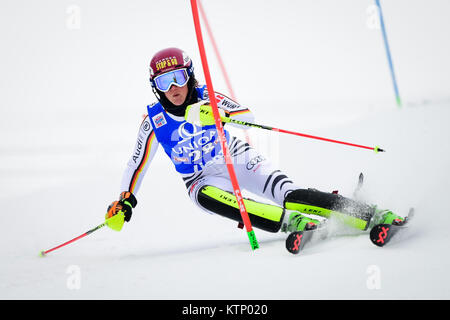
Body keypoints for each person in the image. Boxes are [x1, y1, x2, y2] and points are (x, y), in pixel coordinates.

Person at [105, 47, 405, 238]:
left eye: (178, 77)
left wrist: (217, 114)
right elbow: (136, 164)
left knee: (289, 194)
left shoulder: (206, 95)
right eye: (163, 82)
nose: (173, 88)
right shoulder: (153, 120)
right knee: (208, 198)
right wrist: (124, 199)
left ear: (190, 76)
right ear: (154, 88)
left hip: (235, 157)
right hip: (200, 179)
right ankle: (294, 223)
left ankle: (366, 213)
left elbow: (242, 112)